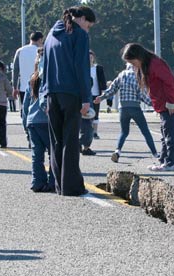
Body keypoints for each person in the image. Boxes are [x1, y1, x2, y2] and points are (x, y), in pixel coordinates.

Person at [42, 5, 95, 196]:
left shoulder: (51, 34)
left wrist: (44, 94)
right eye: (88, 25)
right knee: (70, 141)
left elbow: (45, 66)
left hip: (51, 93)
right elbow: (81, 67)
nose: (87, 29)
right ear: (81, 19)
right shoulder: (79, 34)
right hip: (71, 93)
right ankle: (71, 187)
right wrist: (86, 97)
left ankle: (59, 185)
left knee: (56, 141)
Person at [121, 43, 174, 171]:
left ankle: (172, 163)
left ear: (138, 57)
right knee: (165, 133)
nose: (133, 66)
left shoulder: (155, 64)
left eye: (133, 63)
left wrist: (172, 102)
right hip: (163, 104)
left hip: (170, 102)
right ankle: (164, 161)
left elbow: (170, 82)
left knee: (170, 133)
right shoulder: (146, 65)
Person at [94, 63, 158, 163]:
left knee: (124, 132)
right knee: (145, 131)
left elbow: (112, 89)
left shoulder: (121, 75)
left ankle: (118, 151)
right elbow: (142, 95)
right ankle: (155, 153)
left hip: (123, 108)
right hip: (135, 107)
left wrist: (101, 98)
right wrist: (154, 104)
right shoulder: (138, 76)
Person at [22, 47, 55, 193]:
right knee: (52, 153)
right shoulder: (50, 78)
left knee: (37, 155)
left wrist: (25, 124)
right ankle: (53, 181)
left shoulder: (32, 79)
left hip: (32, 121)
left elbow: (25, 105)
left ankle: (37, 182)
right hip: (46, 120)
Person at [12, 31, 44, 147]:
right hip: (39, 85)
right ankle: (38, 135)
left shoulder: (20, 51)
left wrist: (14, 87)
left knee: (25, 111)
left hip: (23, 86)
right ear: (40, 39)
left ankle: (28, 133)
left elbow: (15, 70)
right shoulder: (41, 51)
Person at [89, 50, 107, 139]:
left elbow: (102, 81)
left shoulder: (98, 68)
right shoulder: (82, 68)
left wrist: (103, 93)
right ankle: (87, 131)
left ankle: (95, 132)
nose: (89, 59)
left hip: (96, 94)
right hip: (86, 95)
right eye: (88, 57)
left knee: (95, 114)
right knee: (86, 114)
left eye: (91, 57)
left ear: (93, 58)